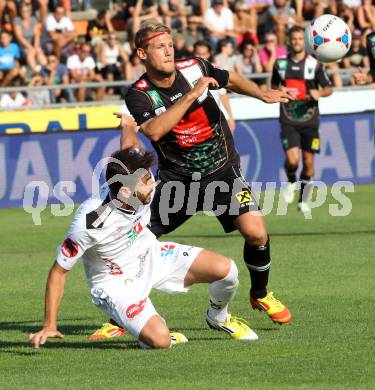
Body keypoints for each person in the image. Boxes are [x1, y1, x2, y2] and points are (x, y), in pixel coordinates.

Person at [90, 21, 292, 340]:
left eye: (170, 44)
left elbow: (232, 78)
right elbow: (155, 131)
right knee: (134, 241)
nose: (169, 50)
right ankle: (122, 315)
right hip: (177, 183)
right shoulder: (138, 95)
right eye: (159, 46)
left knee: (256, 232)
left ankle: (261, 293)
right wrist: (193, 95)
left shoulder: (194, 67)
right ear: (142, 53)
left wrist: (262, 94)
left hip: (223, 173)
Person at [29, 145, 258, 349]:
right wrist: (49, 325)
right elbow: (59, 271)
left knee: (227, 270)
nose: (153, 183)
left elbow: (129, 149)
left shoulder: (136, 183)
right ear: (126, 192)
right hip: (116, 284)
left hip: (150, 254)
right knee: (161, 341)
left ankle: (218, 316)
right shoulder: (90, 222)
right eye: (147, 182)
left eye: (150, 176)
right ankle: (153, 333)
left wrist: (128, 124)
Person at [271, 26, 332, 214]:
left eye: (300, 38)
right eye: (294, 38)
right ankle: (290, 181)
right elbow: (273, 87)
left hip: (310, 120)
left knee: (309, 163)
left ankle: (303, 200)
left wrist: (319, 93)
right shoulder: (280, 64)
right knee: (293, 160)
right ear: (289, 41)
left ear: (304, 42)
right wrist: (281, 92)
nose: (297, 41)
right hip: (288, 118)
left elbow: (329, 88)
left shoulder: (315, 64)